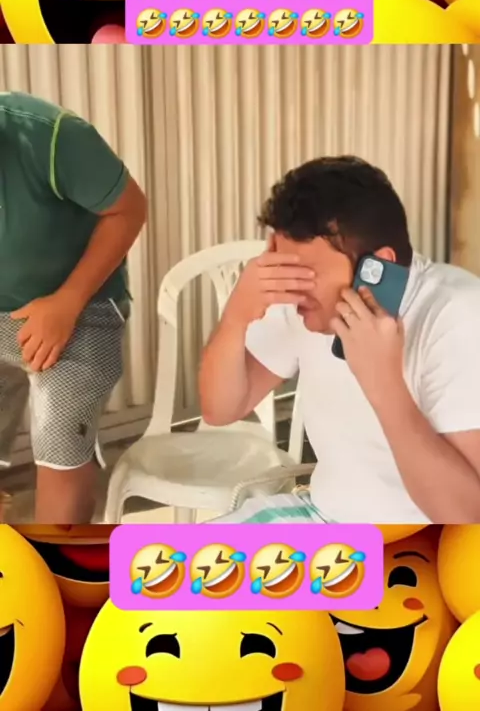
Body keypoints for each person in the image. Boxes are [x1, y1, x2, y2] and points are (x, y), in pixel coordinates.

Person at [199, 156, 480, 525]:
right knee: (137, 561)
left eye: (305, 272)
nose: (291, 287)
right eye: (282, 267)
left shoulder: (458, 317)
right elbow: (220, 410)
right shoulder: (303, 303)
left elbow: (469, 517)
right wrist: (236, 318)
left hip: (426, 543)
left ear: (376, 267)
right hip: (321, 518)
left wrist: (384, 384)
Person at [0, 91, 146, 523]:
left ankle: (60, 559)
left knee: (60, 439)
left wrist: (67, 302)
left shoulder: (53, 136)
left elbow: (129, 209)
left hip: (79, 305)